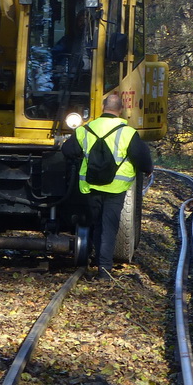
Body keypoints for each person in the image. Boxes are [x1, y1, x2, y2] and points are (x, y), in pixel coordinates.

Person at [61, 92, 154, 280]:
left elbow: (67, 150)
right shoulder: (128, 132)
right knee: (109, 227)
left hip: (91, 186)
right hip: (115, 188)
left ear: (103, 107)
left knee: (97, 224)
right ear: (121, 110)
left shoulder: (85, 130)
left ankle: (96, 260)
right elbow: (142, 156)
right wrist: (148, 169)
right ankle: (104, 270)